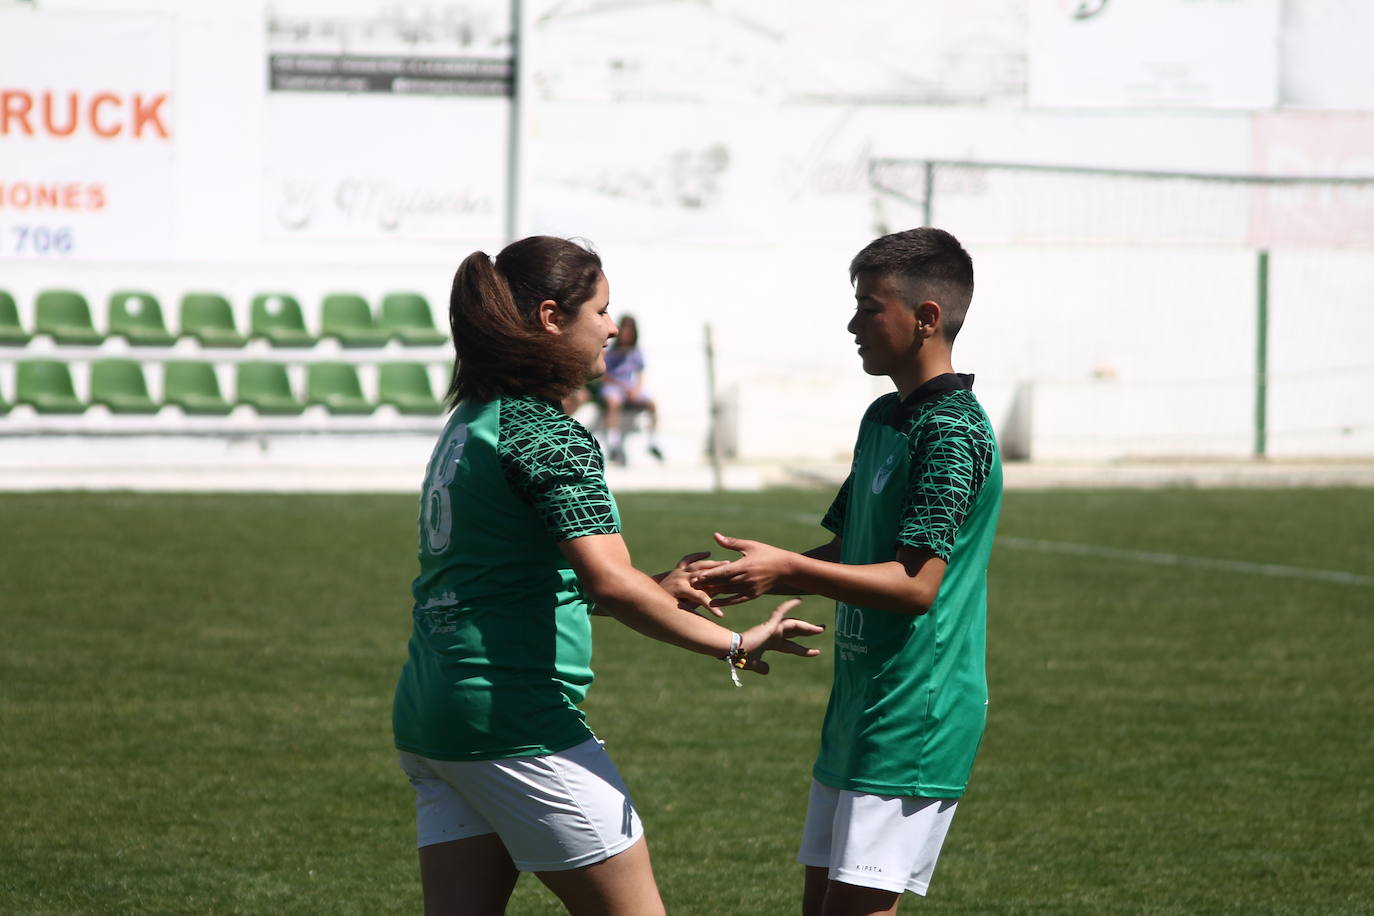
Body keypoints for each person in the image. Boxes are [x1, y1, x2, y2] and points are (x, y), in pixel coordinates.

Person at [390, 235, 825, 916]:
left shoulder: (469, 421)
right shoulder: (546, 433)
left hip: (433, 716)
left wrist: (654, 582)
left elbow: (512, 578)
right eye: (600, 309)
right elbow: (608, 585)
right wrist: (737, 645)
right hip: (515, 723)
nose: (612, 328)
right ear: (549, 319)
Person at [691, 228, 1002, 915]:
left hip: (915, 709)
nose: (853, 324)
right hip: (860, 706)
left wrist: (786, 569)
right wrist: (740, 575)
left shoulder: (952, 429)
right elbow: (850, 554)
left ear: (926, 318)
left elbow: (916, 587)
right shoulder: (883, 417)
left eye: (869, 307)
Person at [598, 314, 662, 464]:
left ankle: (652, 441)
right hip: (614, 387)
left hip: (629, 387)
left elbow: (640, 373)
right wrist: (624, 387)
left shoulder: (635, 352)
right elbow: (604, 375)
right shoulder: (611, 351)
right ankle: (613, 443)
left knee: (652, 403)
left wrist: (636, 389)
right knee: (613, 402)